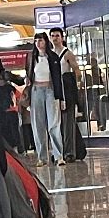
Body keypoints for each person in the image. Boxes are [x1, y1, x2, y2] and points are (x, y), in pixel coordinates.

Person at [24, 32, 67, 166]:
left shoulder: (53, 57)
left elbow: (57, 79)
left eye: (40, 40)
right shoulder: (31, 57)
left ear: (45, 42)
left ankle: (58, 155)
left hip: (50, 90)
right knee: (38, 125)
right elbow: (28, 74)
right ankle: (42, 157)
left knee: (54, 124)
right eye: (36, 40)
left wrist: (60, 98)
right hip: (36, 90)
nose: (38, 43)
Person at [49, 27, 86, 161]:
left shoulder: (67, 53)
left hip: (67, 90)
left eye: (57, 36)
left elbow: (77, 70)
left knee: (68, 122)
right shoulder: (49, 54)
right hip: (53, 90)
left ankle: (69, 152)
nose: (55, 38)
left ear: (62, 38)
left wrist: (77, 86)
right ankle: (58, 151)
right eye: (52, 36)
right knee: (56, 123)